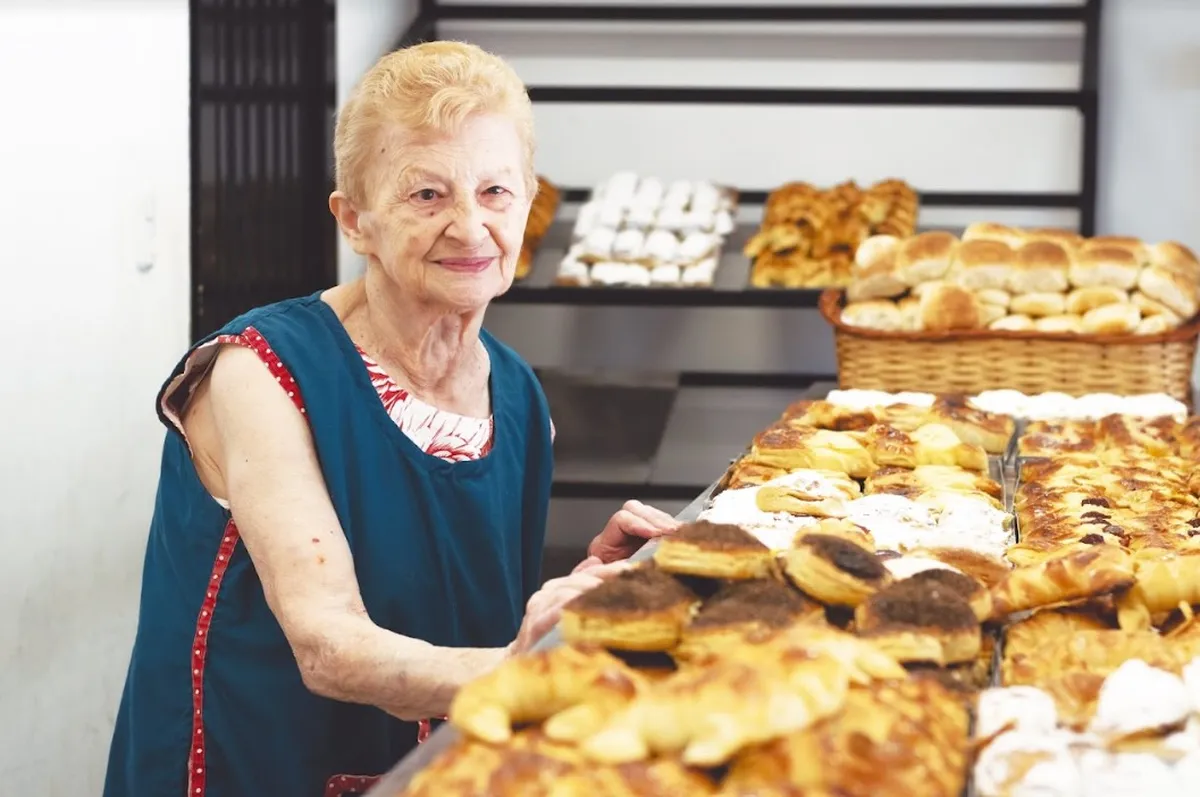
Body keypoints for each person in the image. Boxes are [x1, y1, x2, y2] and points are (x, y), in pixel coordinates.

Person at [103, 41, 680, 797]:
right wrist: (532, 664)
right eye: (426, 195)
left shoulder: (518, 397)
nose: (472, 227)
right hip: (252, 768)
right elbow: (328, 645)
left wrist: (579, 598)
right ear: (356, 220)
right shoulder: (260, 370)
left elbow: (455, 616)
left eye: (496, 192)